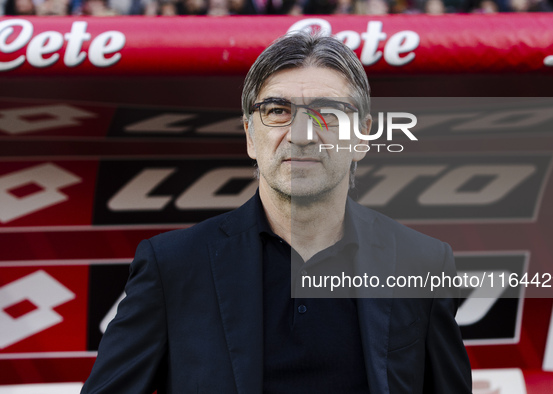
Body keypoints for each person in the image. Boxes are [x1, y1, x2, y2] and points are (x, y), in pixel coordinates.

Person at [81, 32, 472, 393]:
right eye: (277, 110)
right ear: (251, 135)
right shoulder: (173, 266)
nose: (302, 133)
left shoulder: (422, 263)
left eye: (327, 112)